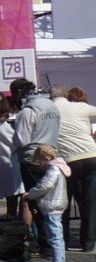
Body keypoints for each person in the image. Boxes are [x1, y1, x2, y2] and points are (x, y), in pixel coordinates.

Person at [14, 81, 61, 256]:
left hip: (32, 159)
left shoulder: (28, 111)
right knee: (50, 201)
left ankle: (43, 243)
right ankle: (52, 240)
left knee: (34, 203)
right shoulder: (52, 106)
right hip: (51, 156)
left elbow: (22, 140)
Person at [55, 87, 96, 253]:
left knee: (64, 201)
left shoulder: (54, 109)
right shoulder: (81, 107)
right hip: (91, 155)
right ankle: (88, 242)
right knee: (90, 202)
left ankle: (62, 240)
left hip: (69, 160)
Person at [25, 144, 71, 262]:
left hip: (52, 206)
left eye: (39, 160)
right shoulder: (59, 168)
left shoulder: (53, 169)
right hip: (57, 204)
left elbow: (44, 186)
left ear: (45, 157)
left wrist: (30, 194)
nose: (39, 164)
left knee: (55, 237)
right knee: (57, 237)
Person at [0, 92, 27, 226]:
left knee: (11, 201)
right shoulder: (11, 122)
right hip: (14, 161)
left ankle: (13, 227)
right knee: (23, 197)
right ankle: (22, 229)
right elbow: (19, 141)